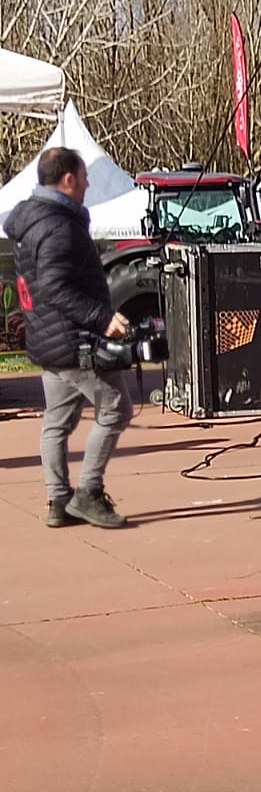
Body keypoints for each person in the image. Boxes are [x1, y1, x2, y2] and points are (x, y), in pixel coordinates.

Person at [4, 147, 134, 529]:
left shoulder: (32, 221)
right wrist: (102, 318)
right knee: (116, 408)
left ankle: (58, 500)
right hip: (73, 340)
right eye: (84, 176)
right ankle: (88, 493)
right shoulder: (58, 225)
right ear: (68, 179)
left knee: (56, 422)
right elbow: (56, 288)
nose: (88, 184)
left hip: (48, 339)